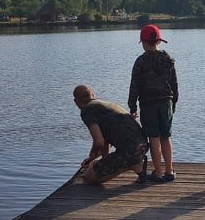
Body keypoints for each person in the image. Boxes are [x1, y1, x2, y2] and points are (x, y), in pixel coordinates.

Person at [128, 24, 179, 182]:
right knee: (166, 136)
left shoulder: (140, 62)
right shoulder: (168, 59)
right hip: (166, 103)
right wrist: (174, 103)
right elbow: (175, 85)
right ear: (159, 41)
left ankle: (158, 172)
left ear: (143, 42)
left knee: (154, 138)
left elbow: (134, 86)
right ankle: (169, 171)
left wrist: (132, 107)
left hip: (148, 104)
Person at [74, 85, 148, 185]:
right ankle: (136, 163)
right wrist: (95, 159)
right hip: (143, 144)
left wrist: (92, 153)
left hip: (130, 151)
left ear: (76, 101)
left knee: (89, 178)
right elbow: (105, 140)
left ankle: (133, 165)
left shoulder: (87, 110)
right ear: (93, 95)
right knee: (96, 167)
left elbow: (99, 141)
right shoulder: (105, 104)